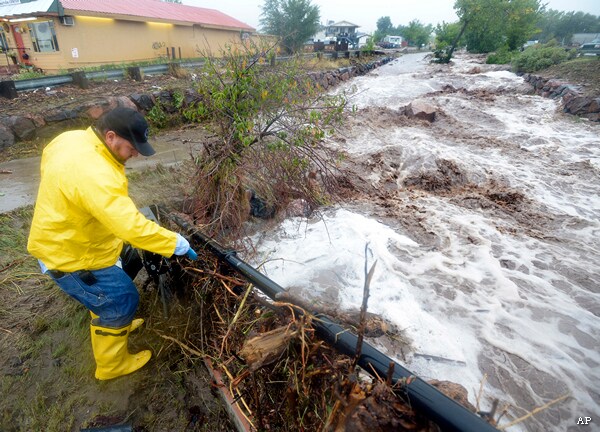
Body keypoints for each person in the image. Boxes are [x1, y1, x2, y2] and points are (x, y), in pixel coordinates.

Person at [27, 107, 198, 380]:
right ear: (110, 136)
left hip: (68, 236)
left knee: (115, 297)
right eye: (133, 147)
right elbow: (129, 225)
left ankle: (115, 324)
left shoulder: (71, 140)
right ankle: (111, 365)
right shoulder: (95, 173)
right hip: (69, 256)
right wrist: (175, 242)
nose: (136, 154)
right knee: (122, 299)